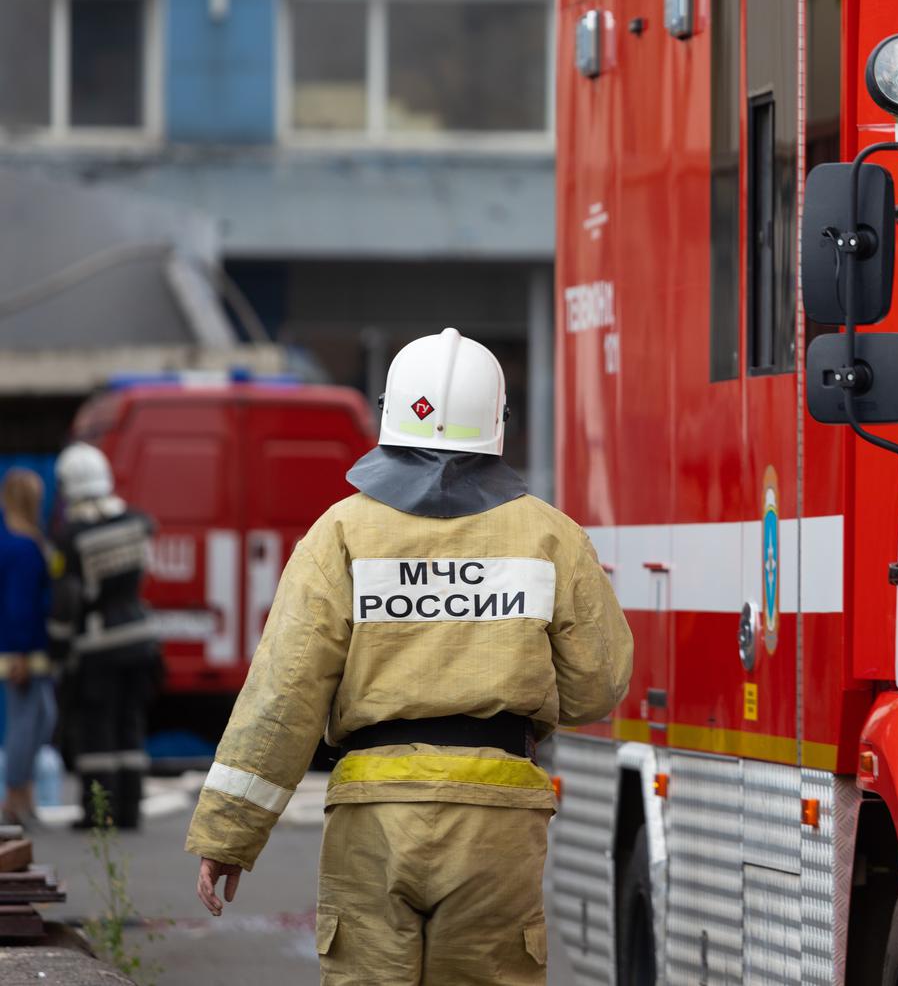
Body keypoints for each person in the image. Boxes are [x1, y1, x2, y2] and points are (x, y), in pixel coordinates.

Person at [186, 327, 633, 985]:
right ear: (496, 422)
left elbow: (284, 694)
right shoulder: (549, 535)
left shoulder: (340, 533)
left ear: (391, 412)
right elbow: (600, 683)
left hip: (373, 819)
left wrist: (229, 838)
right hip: (499, 823)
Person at [51, 443, 159, 830]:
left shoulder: (71, 537)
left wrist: (58, 648)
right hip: (140, 641)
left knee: (96, 730)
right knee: (130, 726)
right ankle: (130, 811)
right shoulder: (136, 521)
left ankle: (99, 815)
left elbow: (67, 601)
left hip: (98, 648)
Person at [0, 469, 56, 826]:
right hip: (25, 650)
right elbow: (19, 603)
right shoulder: (22, 546)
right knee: (27, 722)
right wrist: (19, 652)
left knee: (41, 718)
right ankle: (15, 797)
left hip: (31, 647)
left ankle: (23, 792)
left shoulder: (23, 541)